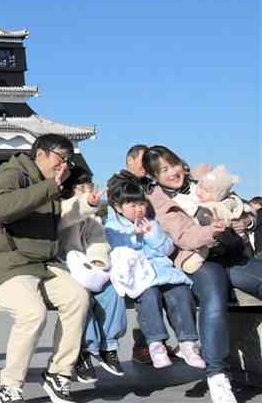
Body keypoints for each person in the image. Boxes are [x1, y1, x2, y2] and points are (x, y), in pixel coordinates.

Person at [0, 134, 96, 403]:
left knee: (78, 298)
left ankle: (59, 373)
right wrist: (49, 189)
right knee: (33, 314)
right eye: (60, 158)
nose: (64, 166)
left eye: (68, 160)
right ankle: (10, 386)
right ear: (40, 153)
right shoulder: (12, 173)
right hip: (6, 262)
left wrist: (85, 205)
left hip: (42, 264)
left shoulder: (50, 185)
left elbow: (59, 218)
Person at [144, 145, 262, 403]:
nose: (173, 172)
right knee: (214, 300)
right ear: (154, 177)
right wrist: (213, 231)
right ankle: (217, 374)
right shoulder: (158, 201)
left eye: (173, 164)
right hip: (199, 260)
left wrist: (247, 220)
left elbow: (243, 205)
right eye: (163, 170)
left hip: (232, 255)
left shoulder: (202, 182)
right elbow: (184, 236)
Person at [104, 178, 204, 370]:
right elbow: (119, 251)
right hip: (138, 277)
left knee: (180, 292)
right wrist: (135, 235)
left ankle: (188, 344)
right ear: (118, 207)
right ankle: (156, 345)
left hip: (163, 272)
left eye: (141, 203)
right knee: (149, 296)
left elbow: (166, 249)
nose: (138, 209)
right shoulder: (112, 227)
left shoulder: (151, 222)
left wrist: (151, 233)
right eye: (132, 205)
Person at [56, 181, 126, 383]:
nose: (89, 195)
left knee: (113, 291)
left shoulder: (94, 218)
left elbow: (99, 241)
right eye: (82, 191)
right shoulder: (62, 211)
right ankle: (85, 349)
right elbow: (67, 217)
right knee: (81, 297)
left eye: (90, 190)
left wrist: (98, 260)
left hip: (88, 266)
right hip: (63, 265)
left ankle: (109, 346)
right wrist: (84, 203)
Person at [107, 144, 155, 365]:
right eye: (144, 160)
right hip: (126, 249)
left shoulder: (149, 184)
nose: (148, 165)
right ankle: (144, 345)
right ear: (130, 161)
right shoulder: (119, 184)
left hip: (146, 246)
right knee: (145, 289)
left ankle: (152, 343)